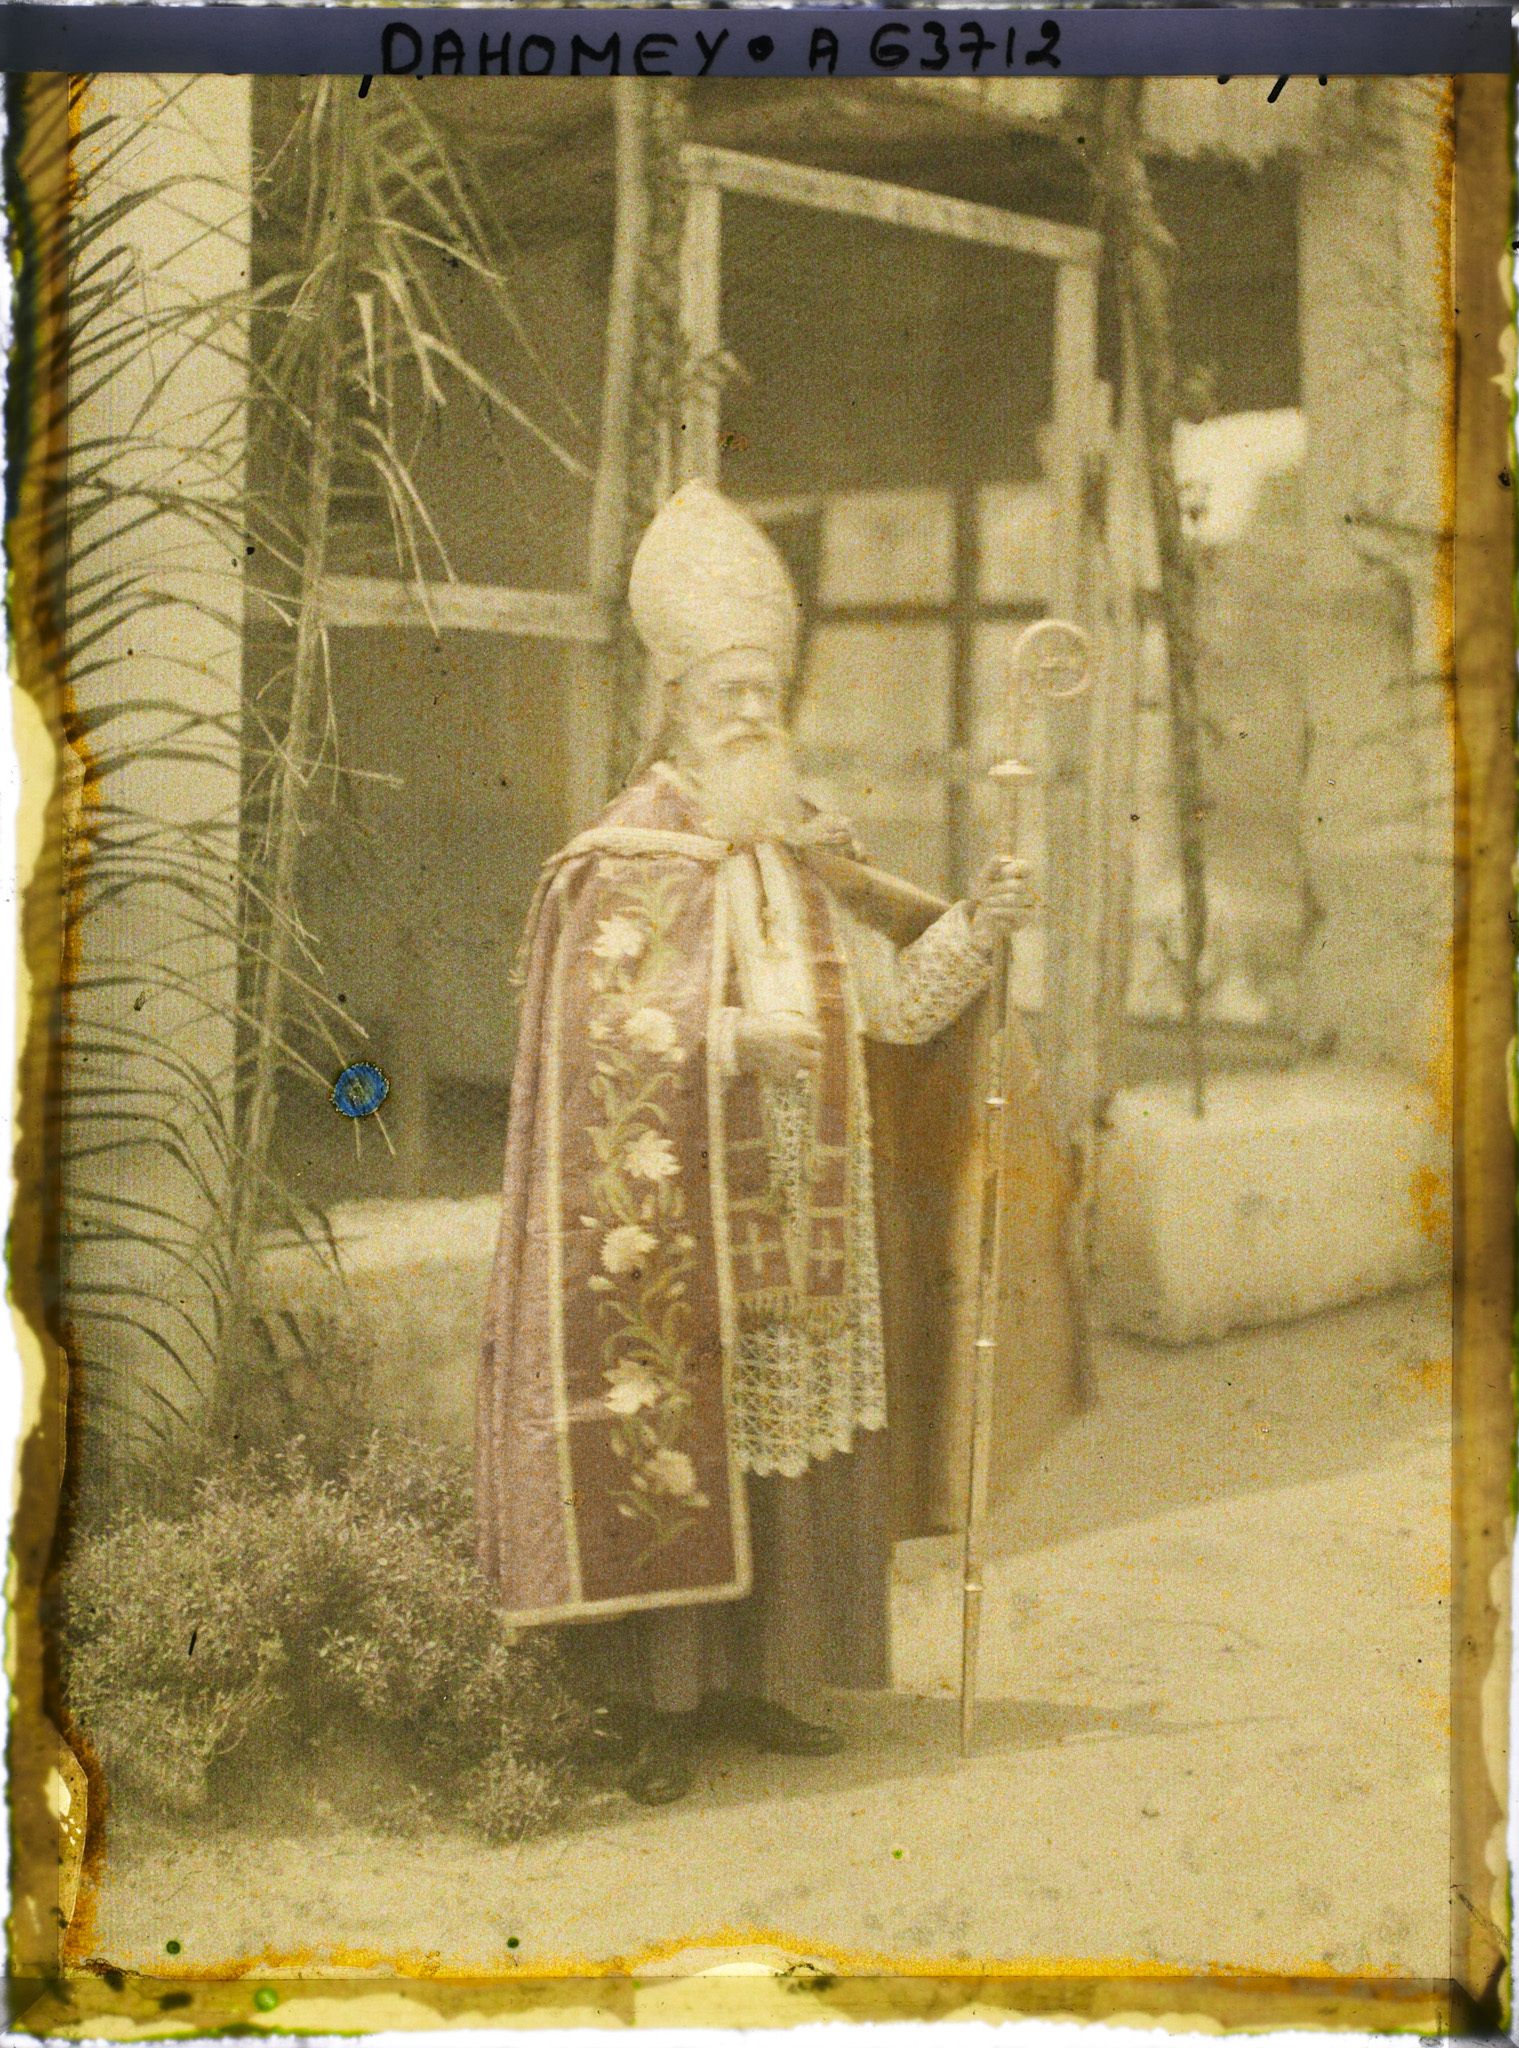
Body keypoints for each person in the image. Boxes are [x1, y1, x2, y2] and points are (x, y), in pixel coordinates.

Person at [476, 479, 1078, 1804]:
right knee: (672, 1444)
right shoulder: (620, 859)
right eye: (722, 692)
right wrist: (727, 1044)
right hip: (670, 1228)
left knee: (778, 1457)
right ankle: (650, 1710)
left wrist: (980, 923)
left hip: (811, 1224)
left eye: (765, 690)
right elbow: (589, 1042)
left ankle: (757, 1681)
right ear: (671, 703)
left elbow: (899, 1007)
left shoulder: (807, 859)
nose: (751, 712)